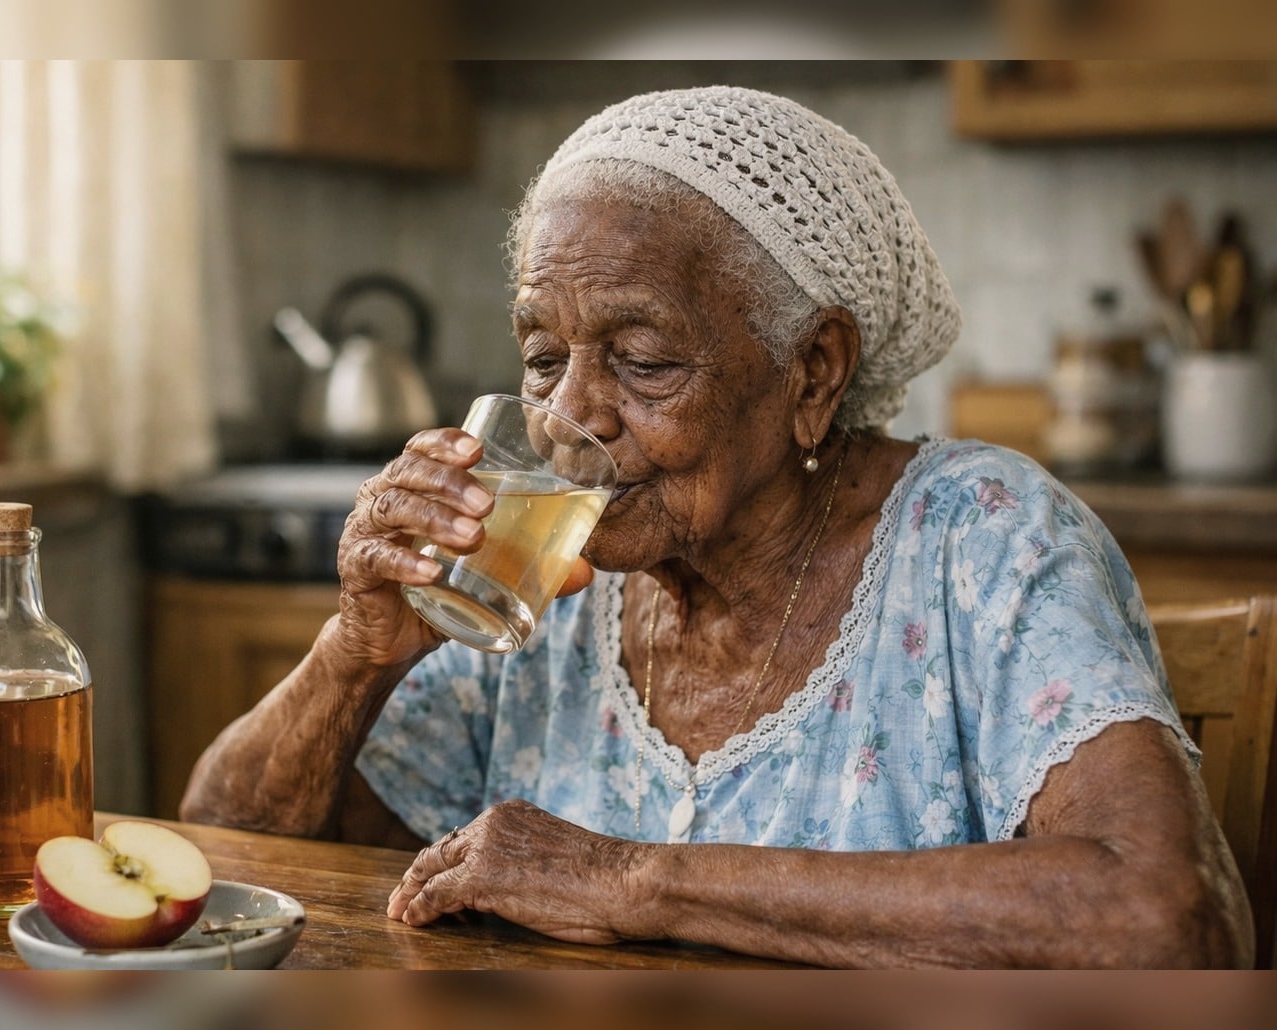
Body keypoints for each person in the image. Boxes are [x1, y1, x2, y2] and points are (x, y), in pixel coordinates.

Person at [181, 86, 1254, 968]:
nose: (567, 417)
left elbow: (1167, 921)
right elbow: (222, 867)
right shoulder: (542, 581)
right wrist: (355, 656)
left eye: (645, 362)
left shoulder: (980, 538)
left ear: (814, 374)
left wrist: (632, 879)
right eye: (544, 357)